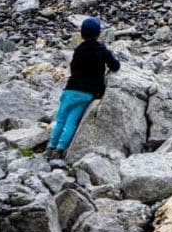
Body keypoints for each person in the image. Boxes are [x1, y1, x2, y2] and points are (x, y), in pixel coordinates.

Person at [47, 17, 120, 160]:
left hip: (70, 90)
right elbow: (115, 66)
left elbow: (73, 68)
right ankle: (60, 150)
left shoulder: (78, 50)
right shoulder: (101, 49)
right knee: (72, 122)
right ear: (99, 34)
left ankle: (51, 147)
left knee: (60, 120)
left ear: (82, 34)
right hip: (86, 93)